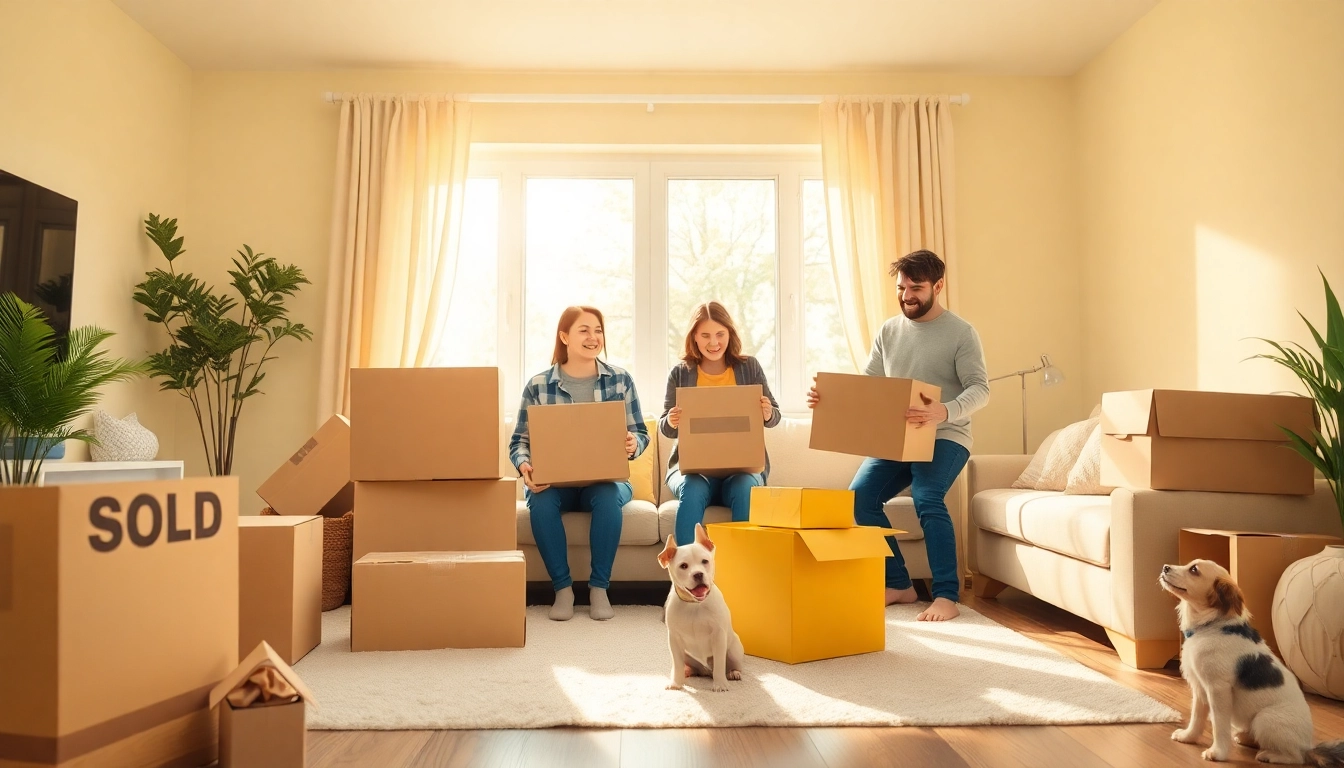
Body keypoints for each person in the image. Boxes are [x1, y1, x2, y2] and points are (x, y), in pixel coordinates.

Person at [808, 250, 988, 622]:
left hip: (946, 435)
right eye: (901, 287)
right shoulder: (889, 331)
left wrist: (944, 410)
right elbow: (869, 387)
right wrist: (829, 399)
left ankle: (946, 596)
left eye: (916, 288)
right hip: (896, 436)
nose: (906, 295)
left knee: (926, 496)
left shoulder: (961, 333)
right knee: (859, 498)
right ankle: (900, 584)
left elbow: (980, 389)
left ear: (938, 286)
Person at [509, 305, 649, 621]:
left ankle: (599, 588)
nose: (593, 337)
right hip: (556, 483)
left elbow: (640, 433)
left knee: (607, 495)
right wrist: (525, 466)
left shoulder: (620, 380)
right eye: (584, 330)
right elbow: (519, 442)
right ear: (564, 336)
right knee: (540, 500)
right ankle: (563, 589)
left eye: (597, 330)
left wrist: (633, 442)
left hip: (604, 481)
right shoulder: (538, 385)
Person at [660, 301, 781, 545]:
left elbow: (774, 417)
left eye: (720, 334)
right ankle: (685, 577)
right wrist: (672, 419)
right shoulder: (680, 373)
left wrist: (767, 412)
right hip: (692, 471)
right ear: (694, 337)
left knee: (745, 486)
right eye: (705, 335)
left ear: (729, 334)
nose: (713, 343)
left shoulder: (749, 367)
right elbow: (665, 426)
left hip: (741, 470)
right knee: (693, 488)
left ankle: (740, 571)